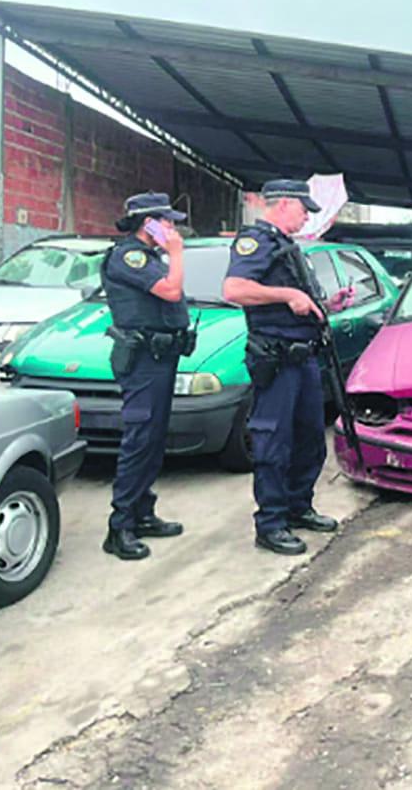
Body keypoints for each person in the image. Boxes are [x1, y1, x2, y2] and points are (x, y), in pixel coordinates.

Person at [222, 179, 348, 556]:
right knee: (273, 442)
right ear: (282, 205)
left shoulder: (288, 246)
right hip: (276, 359)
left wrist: (328, 304)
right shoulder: (255, 241)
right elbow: (234, 290)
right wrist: (287, 295)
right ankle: (271, 523)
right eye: (303, 208)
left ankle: (298, 506)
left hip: (305, 356)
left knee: (310, 438)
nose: (308, 214)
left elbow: (297, 300)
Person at [100, 192, 192, 560]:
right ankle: (120, 526)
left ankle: (142, 512)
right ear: (147, 223)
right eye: (166, 222)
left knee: (153, 439)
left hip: (160, 357)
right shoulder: (129, 256)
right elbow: (170, 291)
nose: (172, 228)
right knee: (140, 440)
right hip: (143, 361)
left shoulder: (149, 256)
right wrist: (178, 253)